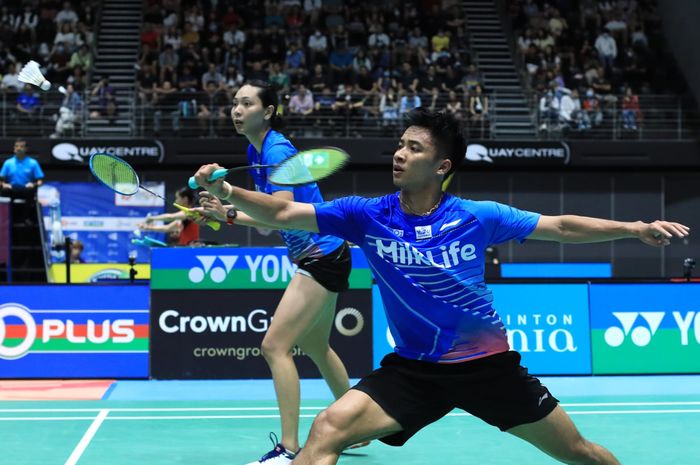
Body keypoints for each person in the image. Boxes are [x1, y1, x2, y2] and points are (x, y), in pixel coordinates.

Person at [192, 108, 690, 465]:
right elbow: (282, 211)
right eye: (400, 144)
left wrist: (633, 228)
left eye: (414, 148)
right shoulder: (365, 215)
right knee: (327, 430)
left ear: (442, 166)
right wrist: (228, 191)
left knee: (580, 453)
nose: (399, 154)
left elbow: (559, 226)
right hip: (414, 371)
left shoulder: (477, 217)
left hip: (488, 368)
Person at [195, 80, 359, 465]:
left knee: (274, 346)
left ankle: (288, 449)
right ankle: (354, 430)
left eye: (246, 103)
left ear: (267, 112)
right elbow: (272, 221)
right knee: (318, 347)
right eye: (234, 103)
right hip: (322, 254)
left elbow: (280, 205)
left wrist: (227, 191)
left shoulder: (278, 149)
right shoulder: (256, 150)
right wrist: (229, 214)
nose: (237, 109)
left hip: (321, 254)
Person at [0, 138, 44, 224]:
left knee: (30, 190)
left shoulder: (33, 163)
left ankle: (27, 218)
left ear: (26, 149)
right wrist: (4, 184)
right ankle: (4, 218)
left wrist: (34, 184)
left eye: (21, 146)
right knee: (4, 191)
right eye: (16, 146)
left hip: (26, 189)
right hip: (12, 189)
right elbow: (0, 180)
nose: (18, 148)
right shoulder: (8, 163)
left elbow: (40, 181)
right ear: (14, 148)